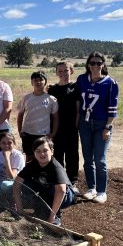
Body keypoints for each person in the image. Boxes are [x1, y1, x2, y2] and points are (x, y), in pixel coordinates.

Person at [76, 52, 119, 204]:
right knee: (88, 159)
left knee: (100, 159)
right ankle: (91, 188)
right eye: (92, 63)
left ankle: (101, 192)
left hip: (102, 125)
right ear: (88, 65)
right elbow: (75, 98)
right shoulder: (82, 79)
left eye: (98, 63)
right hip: (85, 123)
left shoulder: (110, 83)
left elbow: (113, 108)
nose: (95, 66)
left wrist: (108, 127)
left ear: (103, 65)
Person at [12, 137, 76, 227]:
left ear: (52, 151)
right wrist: (20, 209)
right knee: (26, 183)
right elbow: (16, 184)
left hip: (65, 196)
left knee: (54, 189)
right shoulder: (32, 165)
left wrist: (51, 218)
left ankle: (56, 215)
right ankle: (39, 208)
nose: (42, 154)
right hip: (45, 190)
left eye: (45, 150)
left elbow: (61, 191)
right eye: (38, 151)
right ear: (34, 153)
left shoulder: (56, 167)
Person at [48, 61, 81, 194]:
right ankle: (59, 181)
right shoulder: (52, 89)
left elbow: (78, 109)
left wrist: (76, 125)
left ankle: (72, 182)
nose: (63, 73)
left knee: (72, 155)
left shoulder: (76, 87)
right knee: (57, 155)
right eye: (60, 71)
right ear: (56, 73)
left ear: (71, 71)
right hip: (56, 128)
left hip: (71, 127)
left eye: (65, 70)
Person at [17, 71, 59, 161]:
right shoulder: (26, 98)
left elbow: (56, 118)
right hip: (27, 133)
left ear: (45, 82)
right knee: (29, 158)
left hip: (43, 135)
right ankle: (29, 175)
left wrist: (53, 133)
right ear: (32, 82)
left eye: (41, 80)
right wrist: (20, 130)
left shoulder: (51, 99)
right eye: (35, 80)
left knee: (43, 158)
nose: (38, 82)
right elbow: (20, 115)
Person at [0, 132, 25, 199]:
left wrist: (7, 158)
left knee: (5, 185)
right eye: (3, 143)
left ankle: (14, 201)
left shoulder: (18, 156)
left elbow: (12, 177)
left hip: (17, 182)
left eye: (9, 143)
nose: (6, 146)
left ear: (14, 144)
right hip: (3, 181)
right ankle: (3, 201)